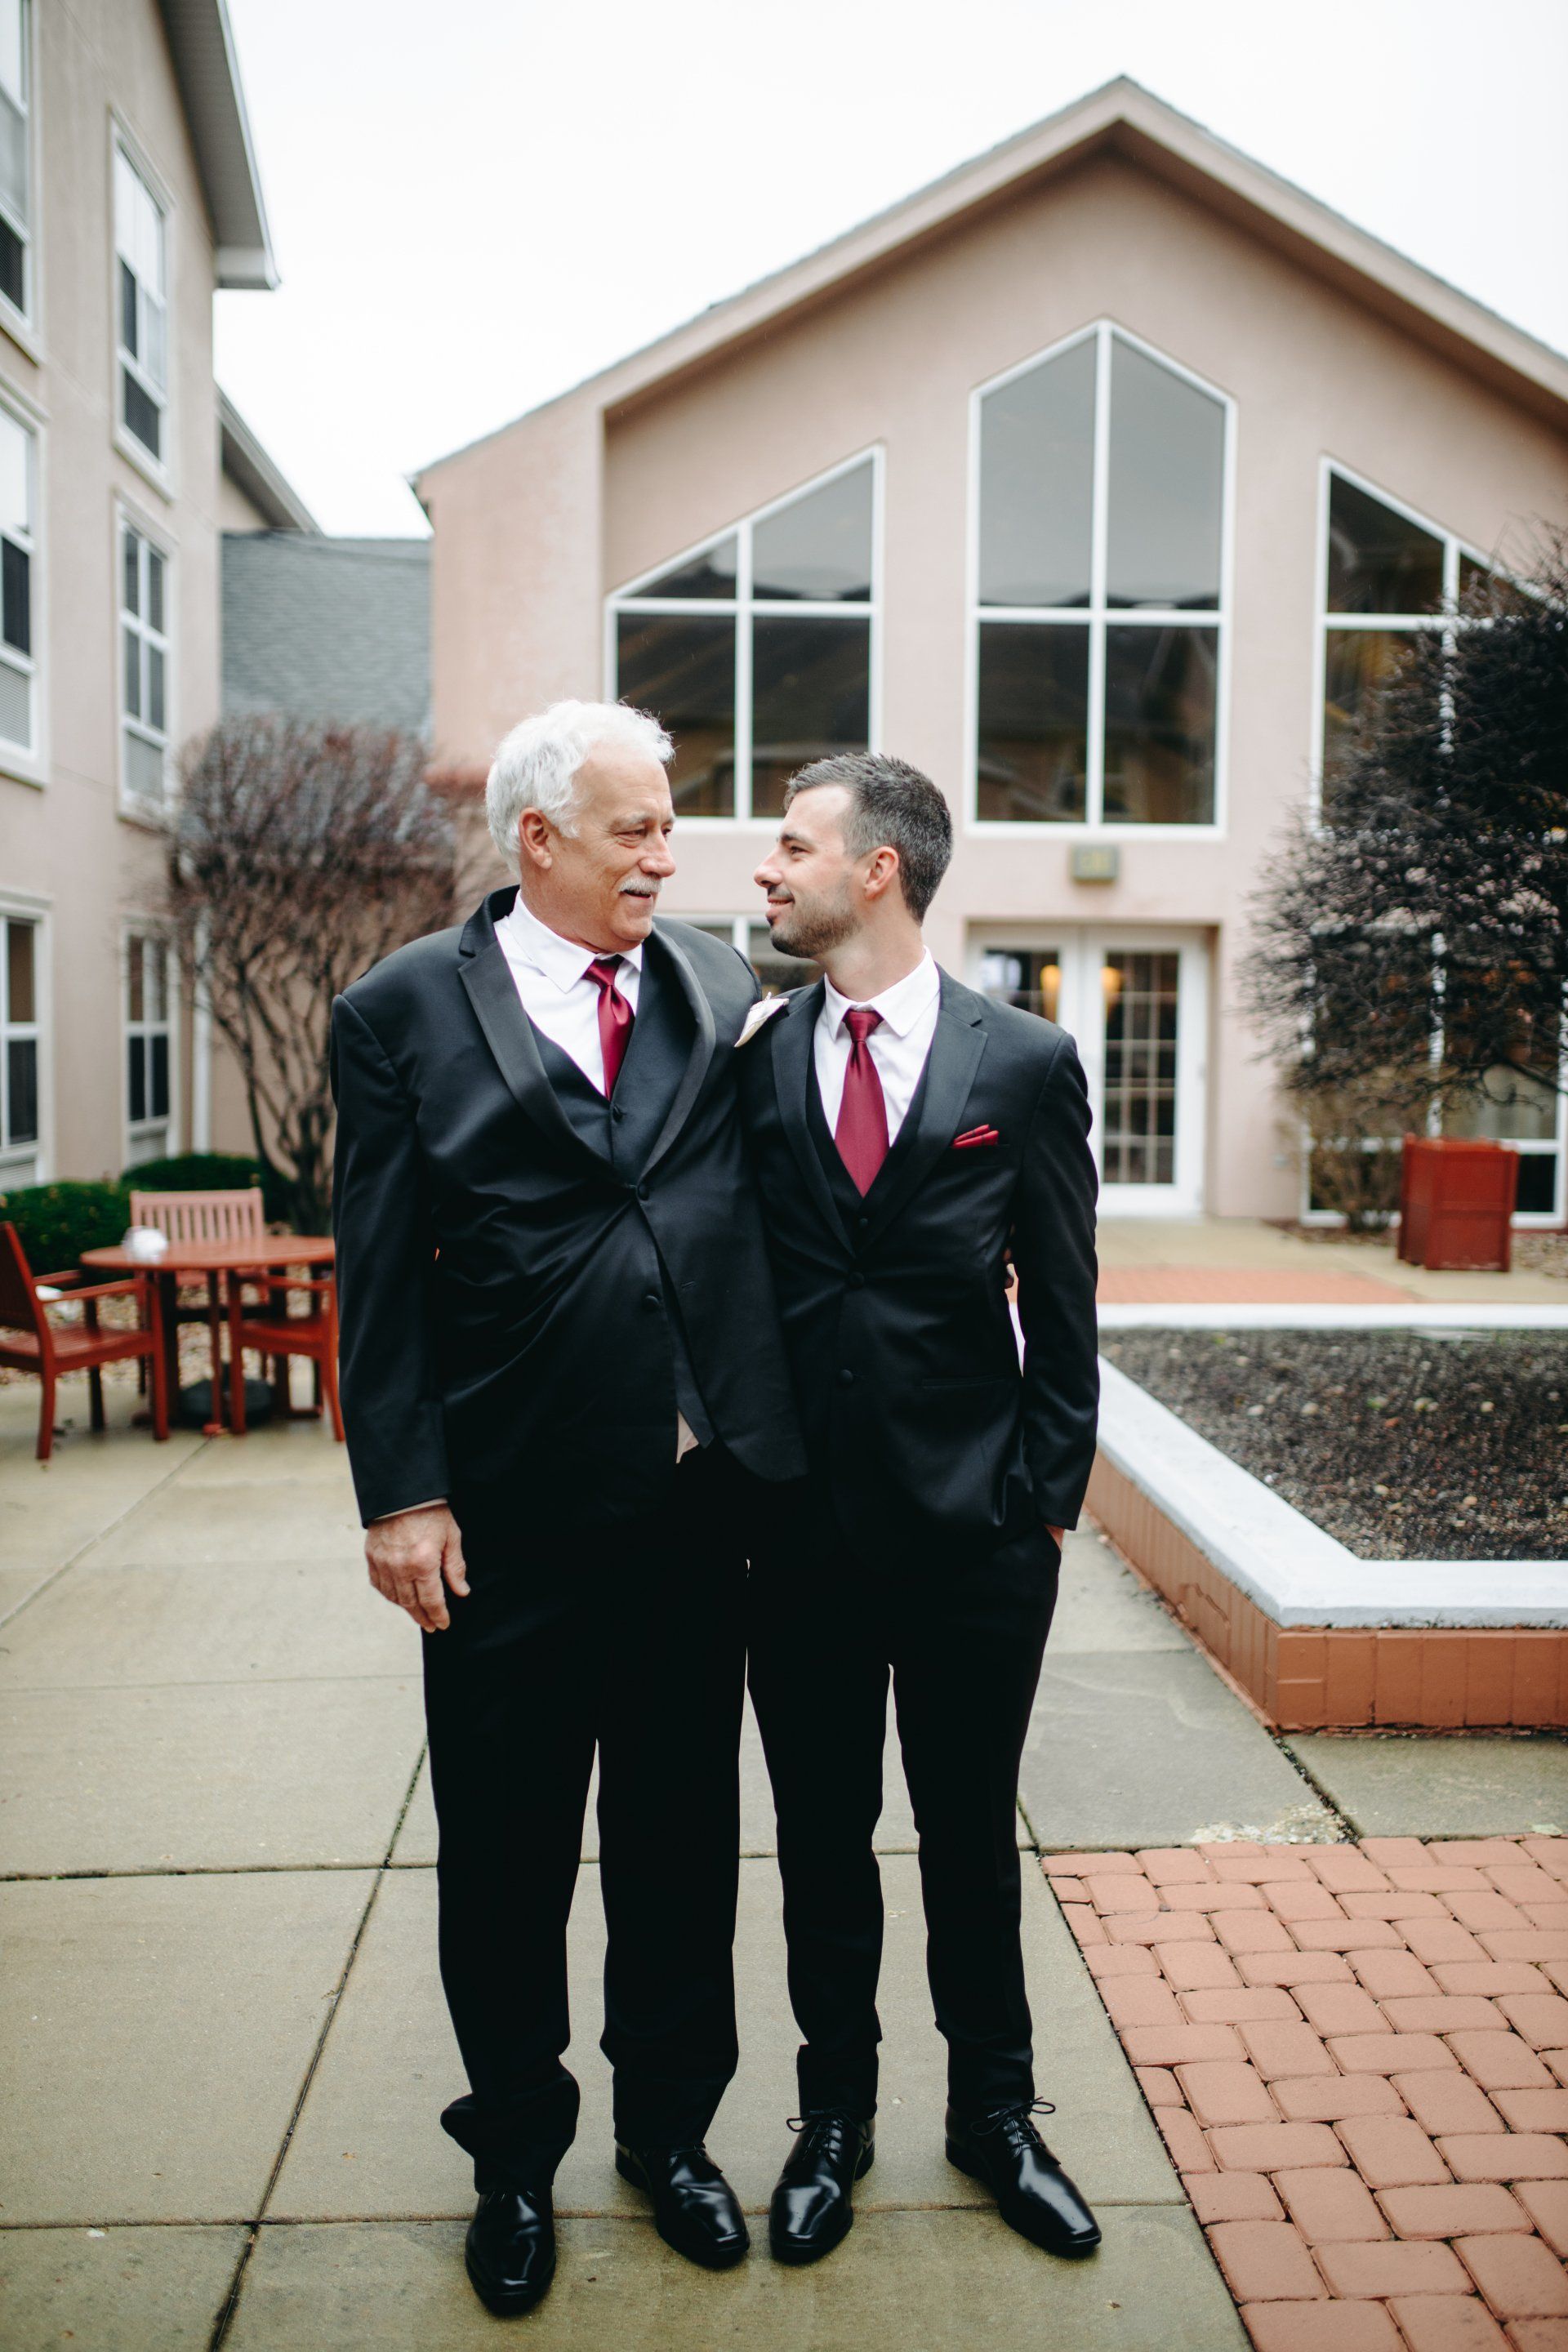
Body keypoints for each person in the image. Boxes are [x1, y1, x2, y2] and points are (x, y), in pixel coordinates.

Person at [330, 701, 804, 2317]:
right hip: (510, 1526)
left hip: (690, 1516)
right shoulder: (399, 1013)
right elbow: (382, 1283)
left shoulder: (717, 988)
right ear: (538, 839)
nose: (665, 858)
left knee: (678, 1850)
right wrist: (403, 1492)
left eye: (672, 827)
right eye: (635, 832)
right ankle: (514, 2162)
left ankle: (669, 2141)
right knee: (508, 1862)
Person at [737, 751, 1102, 2267]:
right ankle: (835, 2118)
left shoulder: (1017, 1064)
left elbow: (1070, 1302)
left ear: (877, 869)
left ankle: (996, 2115)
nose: (768, 869)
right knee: (823, 1840)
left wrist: (1044, 1501)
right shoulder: (756, 1058)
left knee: (967, 1839)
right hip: (801, 1539)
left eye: (794, 844)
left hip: (974, 1539)